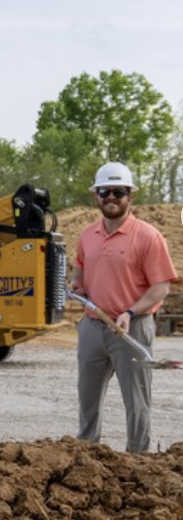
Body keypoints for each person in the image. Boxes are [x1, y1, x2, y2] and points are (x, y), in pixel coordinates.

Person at [71, 162, 177, 453]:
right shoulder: (87, 235)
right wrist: (77, 282)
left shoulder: (148, 236)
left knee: (136, 401)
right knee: (87, 400)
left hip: (132, 329)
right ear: (96, 195)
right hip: (93, 326)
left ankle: (138, 460)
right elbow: (80, 266)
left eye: (118, 192)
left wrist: (129, 313)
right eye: (104, 191)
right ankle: (86, 458)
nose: (111, 197)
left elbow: (161, 287)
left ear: (130, 196)